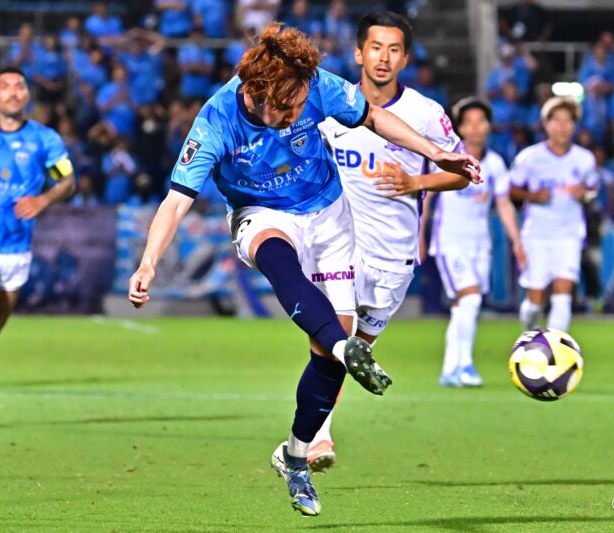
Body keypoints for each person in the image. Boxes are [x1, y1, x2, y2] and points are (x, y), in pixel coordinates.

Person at [126, 23, 479, 516]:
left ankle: (294, 455)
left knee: (329, 357)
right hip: (260, 213)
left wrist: (435, 151)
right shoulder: (216, 121)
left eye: (299, 103)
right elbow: (176, 201)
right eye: (286, 108)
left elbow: (373, 117)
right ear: (256, 91)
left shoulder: (313, 85)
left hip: (328, 211)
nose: (296, 114)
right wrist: (148, 262)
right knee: (278, 257)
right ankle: (343, 345)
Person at [314, 11, 473, 472]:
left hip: (394, 256)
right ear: (359, 52)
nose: (383, 58)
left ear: (405, 58)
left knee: (356, 351)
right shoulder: (329, 104)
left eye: (394, 49)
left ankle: (319, 422)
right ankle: (318, 435)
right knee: (334, 339)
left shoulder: (425, 113)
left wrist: (414, 183)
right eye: (376, 47)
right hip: (339, 244)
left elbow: (459, 173)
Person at [0, 67, 76, 413]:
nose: (12, 92)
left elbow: (66, 181)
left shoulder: (45, 140)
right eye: (4, 87)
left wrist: (43, 199)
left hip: (17, 248)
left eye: (18, 87)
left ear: (26, 96)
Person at [427, 97, 523, 386]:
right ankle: (466, 365)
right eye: (469, 122)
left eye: (481, 121)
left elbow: (504, 204)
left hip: (481, 244)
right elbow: (426, 196)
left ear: (489, 126)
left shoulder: (494, 163)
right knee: (469, 299)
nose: (476, 127)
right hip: (449, 241)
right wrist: (418, 236)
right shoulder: (447, 158)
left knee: (464, 306)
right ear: (460, 128)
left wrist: (516, 242)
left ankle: (449, 369)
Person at [509, 97, 597, 333]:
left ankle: (556, 352)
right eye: (556, 121)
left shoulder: (585, 159)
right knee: (536, 299)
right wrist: (533, 195)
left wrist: (584, 194)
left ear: (574, 126)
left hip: (569, 233)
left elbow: (592, 191)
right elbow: (511, 190)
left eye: (567, 122)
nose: (562, 127)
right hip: (536, 234)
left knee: (563, 293)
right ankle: (529, 330)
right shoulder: (530, 157)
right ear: (546, 125)